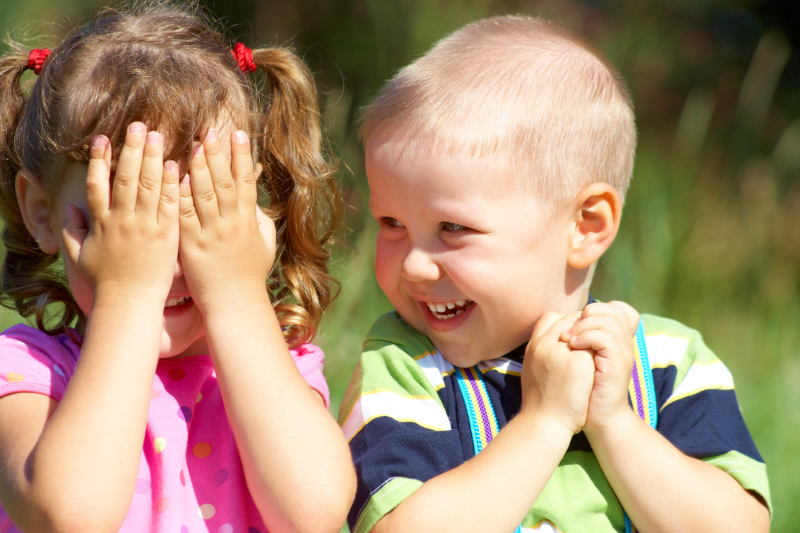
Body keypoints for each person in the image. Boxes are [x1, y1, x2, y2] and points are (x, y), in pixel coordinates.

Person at [338, 15, 770, 533]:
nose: (412, 263)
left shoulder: (667, 363)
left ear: (586, 226)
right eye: (391, 223)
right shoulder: (404, 366)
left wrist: (614, 424)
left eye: (452, 228)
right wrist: (544, 423)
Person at [0, 3, 355, 532]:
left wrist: (236, 293)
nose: (159, 260)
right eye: (128, 214)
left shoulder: (274, 369)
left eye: (201, 213)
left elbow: (317, 513)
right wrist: (127, 296)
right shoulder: (28, 370)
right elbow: (71, 516)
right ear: (40, 212)